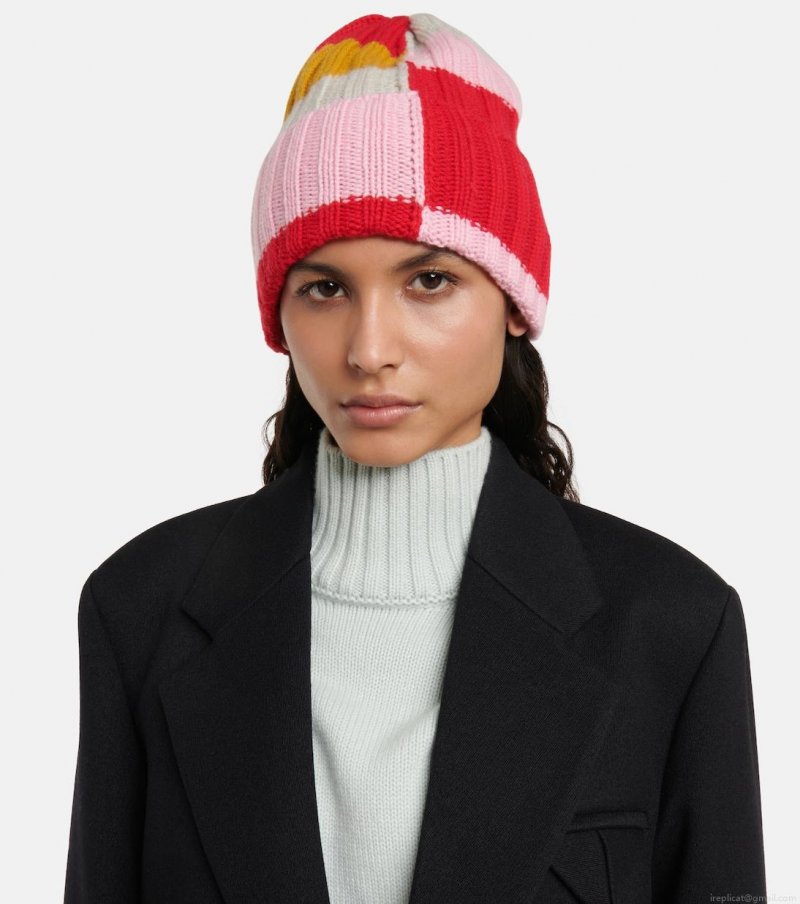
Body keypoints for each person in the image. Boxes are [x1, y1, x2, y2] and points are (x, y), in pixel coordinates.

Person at [64, 12, 767, 904]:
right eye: (324, 288)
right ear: (279, 315)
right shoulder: (140, 610)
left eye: (430, 280)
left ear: (513, 302)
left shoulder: (671, 624)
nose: (369, 350)